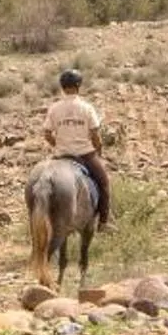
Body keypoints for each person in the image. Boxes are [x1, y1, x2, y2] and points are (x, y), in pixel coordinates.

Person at [44, 67, 109, 228]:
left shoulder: (54, 108)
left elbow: (47, 134)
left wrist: (58, 144)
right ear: (78, 86)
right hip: (85, 155)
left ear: (62, 87)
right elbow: (95, 135)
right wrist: (99, 149)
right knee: (104, 183)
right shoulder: (87, 108)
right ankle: (103, 222)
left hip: (61, 156)